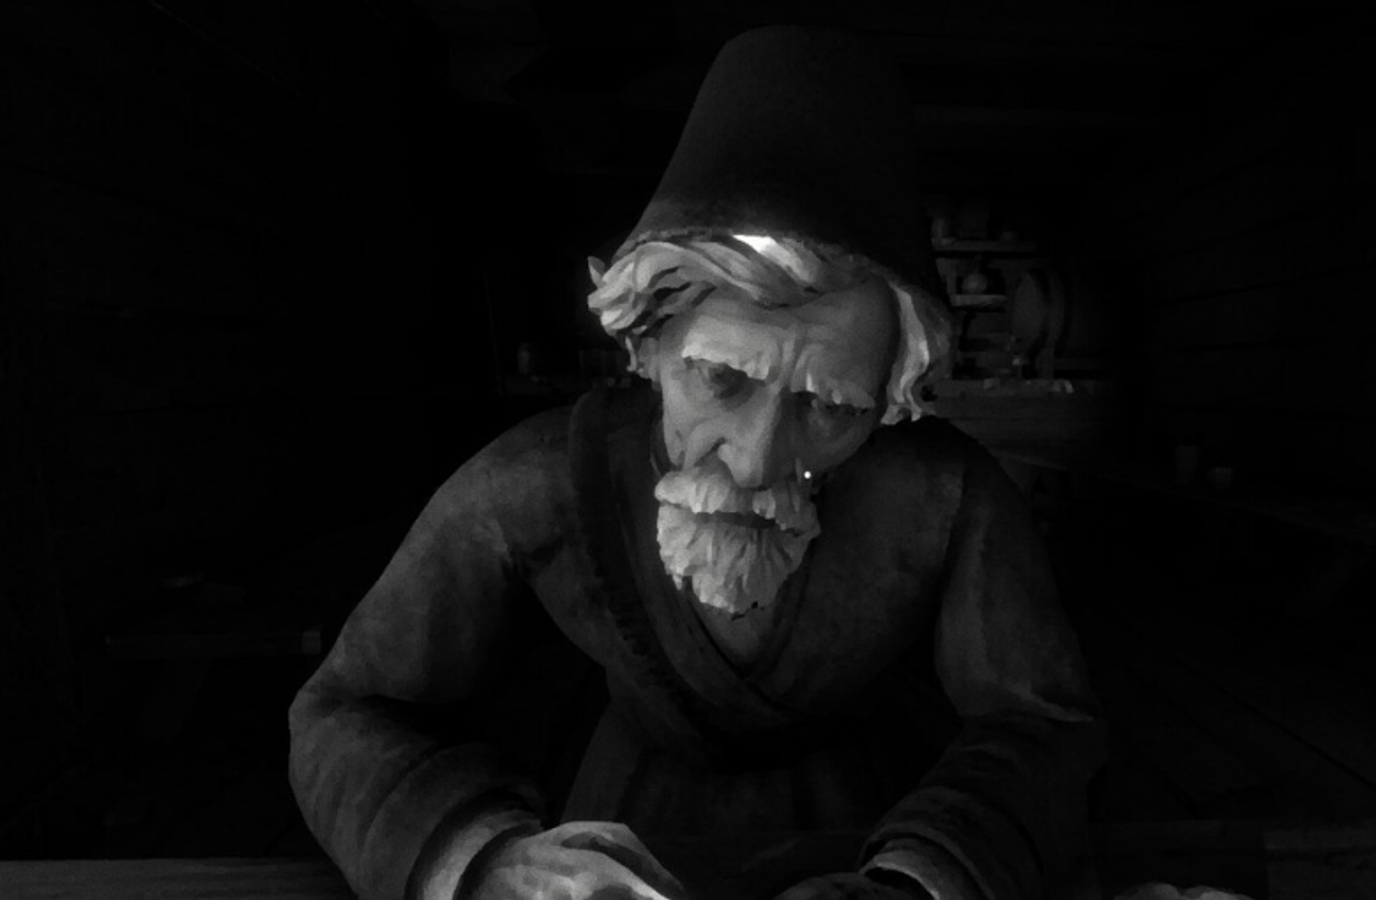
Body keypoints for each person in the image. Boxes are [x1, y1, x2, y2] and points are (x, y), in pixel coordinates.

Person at [289, 26, 1105, 900]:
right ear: (646, 346)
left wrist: (927, 875)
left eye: (832, 408)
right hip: (620, 841)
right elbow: (349, 705)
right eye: (721, 379)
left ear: (891, 400)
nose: (756, 461)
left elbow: (1043, 722)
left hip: (870, 836)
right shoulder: (532, 481)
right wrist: (478, 858)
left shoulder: (947, 496)